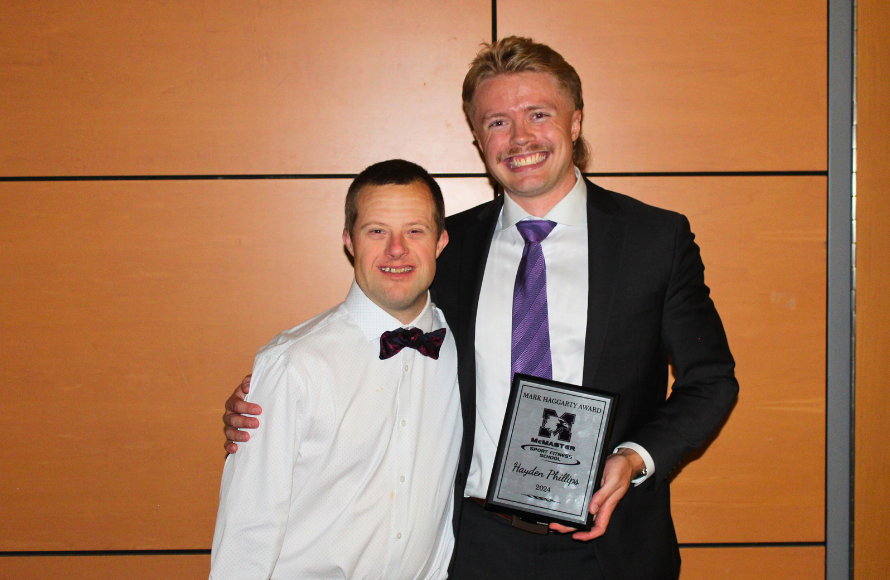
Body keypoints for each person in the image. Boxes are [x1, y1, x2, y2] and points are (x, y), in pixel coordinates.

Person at [224, 37, 738, 580]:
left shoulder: (654, 239)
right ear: (477, 139)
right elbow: (382, 333)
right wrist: (275, 397)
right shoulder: (448, 244)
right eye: (497, 122)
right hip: (473, 547)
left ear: (576, 122)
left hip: (610, 540)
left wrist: (634, 458)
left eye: (538, 114)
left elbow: (711, 380)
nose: (519, 137)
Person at [210, 159, 462, 580]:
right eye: (376, 231)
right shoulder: (292, 364)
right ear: (349, 241)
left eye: (414, 231)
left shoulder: (467, 352)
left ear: (440, 242)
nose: (396, 249)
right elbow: (248, 531)